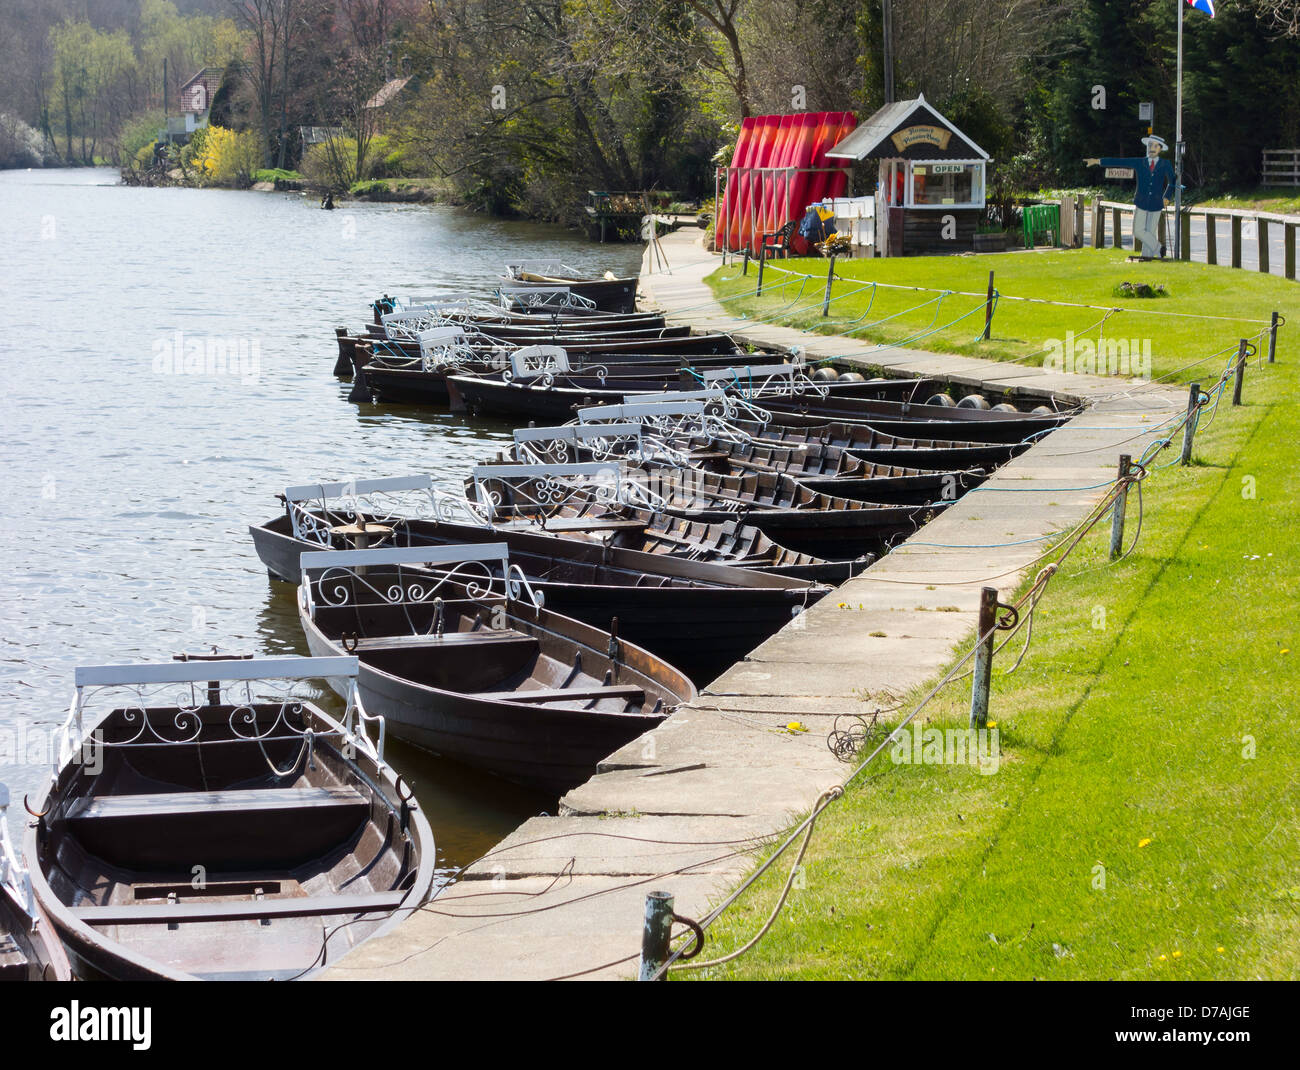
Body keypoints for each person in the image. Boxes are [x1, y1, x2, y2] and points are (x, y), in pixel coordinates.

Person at [1085, 136, 1176, 258]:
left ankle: (1147, 257)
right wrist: (1098, 161)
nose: (1152, 148)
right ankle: (1159, 249)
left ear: (1160, 149)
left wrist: (1167, 196)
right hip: (1141, 202)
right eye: (1150, 146)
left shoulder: (1165, 164)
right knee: (1138, 231)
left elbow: (1173, 181)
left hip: (1157, 203)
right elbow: (1120, 161)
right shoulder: (1140, 162)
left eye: (1155, 146)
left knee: (1150, 232)